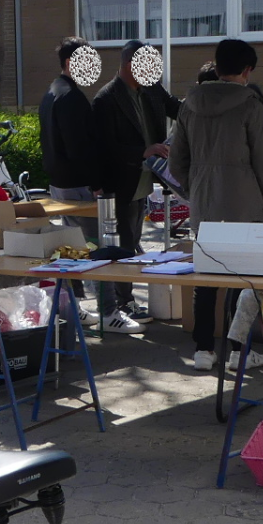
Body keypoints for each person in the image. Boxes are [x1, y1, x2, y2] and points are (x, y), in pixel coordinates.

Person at [168, 38, 263, 371]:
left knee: (206, 277)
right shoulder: (250, 105)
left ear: (216, 67)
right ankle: (238, 350)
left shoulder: (188, 104)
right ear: (247, 70)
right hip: (245, 203)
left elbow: (176, 162)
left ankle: (203, 349)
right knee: (244, 281)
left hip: (204, 203)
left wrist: (196, 187)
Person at [92, 40, 179, 335]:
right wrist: (142, 151)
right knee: (123, 245)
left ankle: (125, 300)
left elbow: (177, 109)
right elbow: (105, 146)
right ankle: (123, 302)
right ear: (129, 65)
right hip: (121, 182)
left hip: (145, 183)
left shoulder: (152, 88)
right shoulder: (105, 99)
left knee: (134, 240)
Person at [39, 37, 100, 206]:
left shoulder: (50, 93)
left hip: (58, 183)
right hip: (77, 185)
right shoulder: (72, 97)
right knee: (88, 225)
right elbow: (78, 147)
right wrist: (97, 184)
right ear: (69, 62)